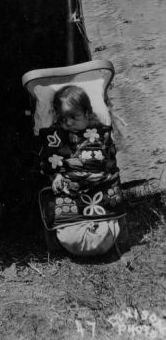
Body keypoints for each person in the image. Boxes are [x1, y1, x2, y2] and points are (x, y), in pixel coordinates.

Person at [38, 85, 125, 255]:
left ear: (87, 112)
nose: (68, 122)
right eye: (63, 118)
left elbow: (109, 161)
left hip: (100, 189)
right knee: (70, 227)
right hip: (70, 191)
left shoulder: (101, 133)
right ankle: (77, 233)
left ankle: (102, 230)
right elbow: (50, 160)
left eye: (73, 116)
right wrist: (56, 176)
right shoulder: (56, 136)